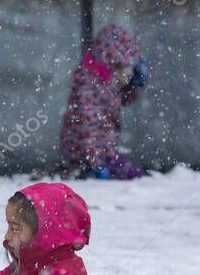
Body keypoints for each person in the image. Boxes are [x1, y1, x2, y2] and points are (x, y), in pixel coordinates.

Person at [59, 24, 150, 180]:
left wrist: (136, 84)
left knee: (137, 175)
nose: (124, 68)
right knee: (135, 176)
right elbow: (88, 128)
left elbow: (119, 101)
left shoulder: (104, 75)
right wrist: (96, 164)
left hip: (103, 152)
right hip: (85, 156)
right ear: (113, 55)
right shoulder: (87, 82)